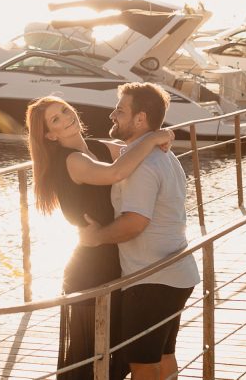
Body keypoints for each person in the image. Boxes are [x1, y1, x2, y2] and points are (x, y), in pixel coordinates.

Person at [26, 95, 174, 380]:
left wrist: (159, 137)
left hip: (112, 261)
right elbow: (117, 172)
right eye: (56, 119)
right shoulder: (72, 160)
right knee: (90, 361)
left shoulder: (94, 147)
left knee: (113, 359)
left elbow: (131, 151)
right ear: (49, 134)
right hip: (90, 270)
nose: (67, 117)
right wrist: (157, 136)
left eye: (66, 109)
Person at [80, 82, 200, 380]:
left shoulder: (143, 164)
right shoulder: (164, 154)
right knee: (163, 355)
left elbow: (135, 222)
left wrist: (96, 237)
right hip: (176, 271)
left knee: (142, 364)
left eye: (120, 110)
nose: (112, 115)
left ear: (140, 119)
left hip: (152, 279)